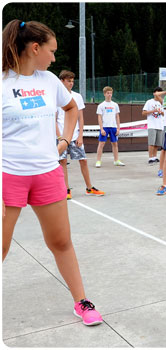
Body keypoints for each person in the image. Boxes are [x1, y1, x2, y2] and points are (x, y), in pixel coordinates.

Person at [2, 19, 102, 326]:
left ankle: (82, 302)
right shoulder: (3, 82)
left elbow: (71, 109)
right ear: (35, 48)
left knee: (61, 241)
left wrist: (64, 140)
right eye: (52, 50)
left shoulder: (48, 81)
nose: (55, 58)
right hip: (9, 175)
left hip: (47, 173)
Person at [57, 70, 105, 199]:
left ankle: (89, 188)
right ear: (61, 81)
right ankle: (66, 190)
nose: (71, 83)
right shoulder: (55, 97)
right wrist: (59, 137)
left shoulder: (77, 96)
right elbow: (54, 119)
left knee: (83, 160)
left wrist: (80, 136)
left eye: (73, 81)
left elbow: (80, 118)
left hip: (75, 136)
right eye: (68, 81)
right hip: (61, 137)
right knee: (62, 162)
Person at [95, 86, 125, 167]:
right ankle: (98, 161)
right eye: (108, 93)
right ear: (104, 94)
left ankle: (116, 161)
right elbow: (99, 117)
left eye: (111, 93)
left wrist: (118, 128)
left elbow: (117, 116)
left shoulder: (115, 105)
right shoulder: (101, 105)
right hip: (105, 127)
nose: (109, 95)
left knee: (115, 144)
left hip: (113, 127)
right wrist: (101, 129)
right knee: (101, 144)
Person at [142, 87, 164, 165]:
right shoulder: (149, 102)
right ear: (154, 93)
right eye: (157, 92)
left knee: (157, 143)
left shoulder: (162, 102)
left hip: (160, 125)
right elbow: (143, 113)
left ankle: (154, 157)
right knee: (151, 142)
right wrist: (153, 111)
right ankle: (150, 158)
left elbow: (165, 114)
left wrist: (161, 112)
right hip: (152, 125)